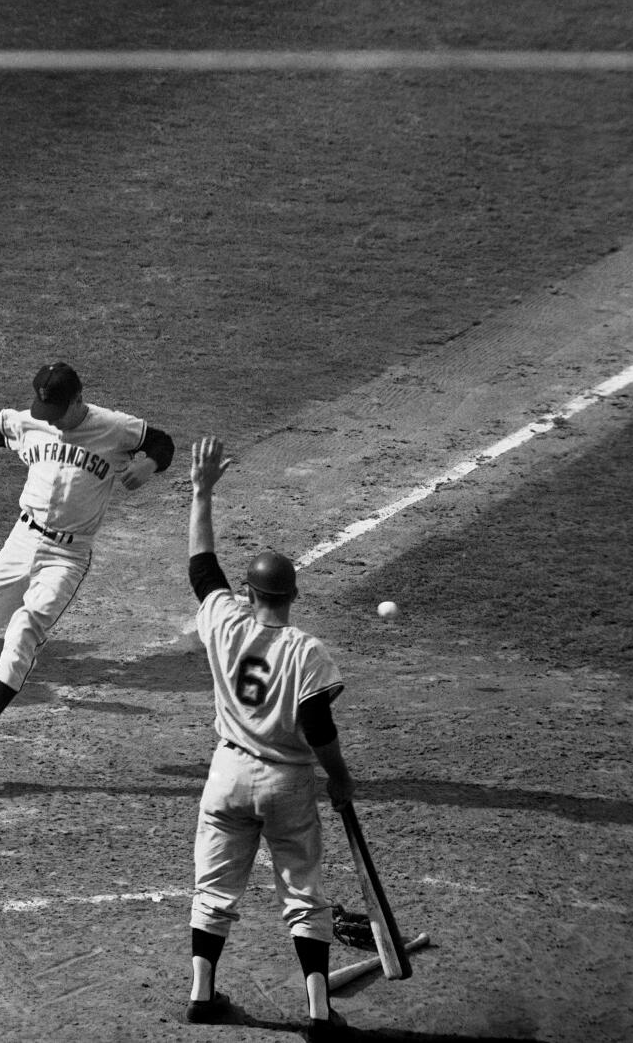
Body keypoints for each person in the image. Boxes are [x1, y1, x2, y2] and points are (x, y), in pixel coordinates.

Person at [0, 362, 174, 766]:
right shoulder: (32, 421)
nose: (49, 419)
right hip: (22, 540)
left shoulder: (114, 427)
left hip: (67, 555)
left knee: (22, 628)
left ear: (77, 398)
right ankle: (31, 635)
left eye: (57, 411)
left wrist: (148, 464)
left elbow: (162, 442)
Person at [184, 436, 355, 1040]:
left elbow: (203, 568)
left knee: (215, 887)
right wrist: (338, 776)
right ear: (291, 596)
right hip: (287, 780)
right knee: (302, 891)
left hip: (227, 774)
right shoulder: (307, 650)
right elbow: (318, 725)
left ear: (250, 595)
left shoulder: (225, 624)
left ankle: (202, 993)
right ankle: (316, 1009)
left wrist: (203, 492)